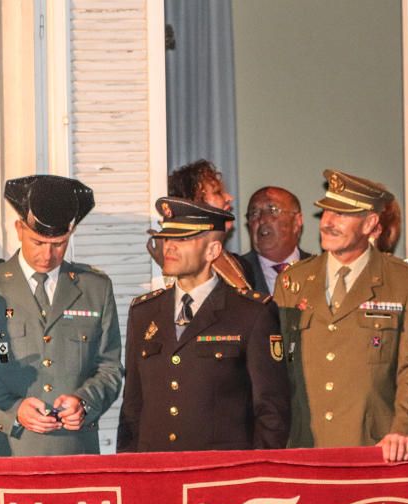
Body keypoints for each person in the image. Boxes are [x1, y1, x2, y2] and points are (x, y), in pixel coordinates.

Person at [274, 169, 408, 462]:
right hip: (303, 445)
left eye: (341, 215)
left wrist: (403, 429)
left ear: (371, 223)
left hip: (375, 448)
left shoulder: (404, 282)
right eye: (325, 213)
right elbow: (275, 371)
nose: (327, 223)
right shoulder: (293, 281)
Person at [0, 175, 123, 456]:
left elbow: (109, 368)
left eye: (59, 244)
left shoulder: (95, 288)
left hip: (74, 451)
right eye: (37, 242)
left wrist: (84, 403)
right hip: (7, 449)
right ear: (19, 228)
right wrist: (14, 410)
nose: (48, 255)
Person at [117, 197, 290, 452]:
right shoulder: (144, 312)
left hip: (220, 475)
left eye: (183, 239)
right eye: (168, 238)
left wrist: (255, 475)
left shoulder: (250, 313)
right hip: (156, 471)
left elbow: (271, 410)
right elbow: (132, 407)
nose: (169, 247)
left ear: (213, 251)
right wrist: (128, 469)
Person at [160, 159, 253, 290]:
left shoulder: (240, 263)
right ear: (194, 204)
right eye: (217, 192)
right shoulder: (184, 264)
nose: (229, 198)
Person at [239, 186, 313, 294]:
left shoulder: (321, 270)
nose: (262, 219)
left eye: (272, 210)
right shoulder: (236, 274)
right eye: (254, 213)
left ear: (297, 222)